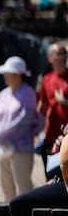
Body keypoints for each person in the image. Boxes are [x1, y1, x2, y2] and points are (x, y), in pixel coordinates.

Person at [0, 56, 40, 200]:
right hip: (2, 148)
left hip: (21, 148)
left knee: (23, 187)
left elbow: (25, 120)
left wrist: (4, 135)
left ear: (18, 75)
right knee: (6, 186)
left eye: (9, 73)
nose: (5, 76)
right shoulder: (3, 94)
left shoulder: (28, 93)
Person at [35, 42, 68, 172]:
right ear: (50, 58)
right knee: (51, 174)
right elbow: (42, 105)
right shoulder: (46, 79)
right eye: (59, 54)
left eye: (65, 53)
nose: (63, 57)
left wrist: (65, 102)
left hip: (66, 137)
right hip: (51, 136)